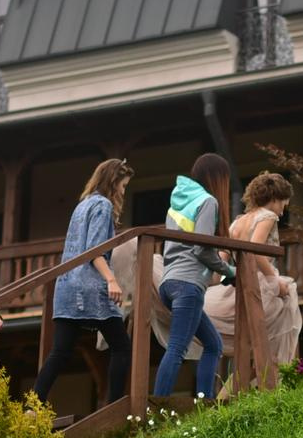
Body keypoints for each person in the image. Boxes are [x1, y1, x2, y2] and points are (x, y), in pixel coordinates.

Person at [34, 158, 133, 407]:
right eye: (123, 185)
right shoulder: (102, 206)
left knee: (60, 352)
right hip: (90, 288)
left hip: (67, 287)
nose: (123, 191)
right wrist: (111, 279)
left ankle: (32, 405)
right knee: (122, 346)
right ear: (113, 181)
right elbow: (95, 250)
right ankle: (115, 406)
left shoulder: (83, 205)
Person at [204, 170, 301, 387]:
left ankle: (230, 393)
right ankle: (276, 382)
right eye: (283, 203)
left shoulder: (238, 222)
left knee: (252, 347)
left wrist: (213, 282)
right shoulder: (268, 216)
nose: (283, 209)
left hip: (237, 283)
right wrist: (274, 281)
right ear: (274, 198)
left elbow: (222, 257)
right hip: (258, 284)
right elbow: (255, 251)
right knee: (283, 317)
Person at [149, 152, 233, 400]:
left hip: (168, 282)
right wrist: (229, 271)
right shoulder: (208, 202)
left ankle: (205, 402)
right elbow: (202, 249)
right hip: (188, 284)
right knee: (177, 347)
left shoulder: (175, 205)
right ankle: (158, 405)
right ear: (217, 178)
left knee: (213, 345)